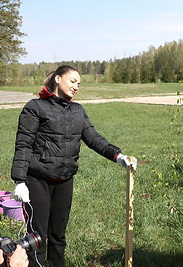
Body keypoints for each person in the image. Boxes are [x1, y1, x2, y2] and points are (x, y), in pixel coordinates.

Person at [11, 65, 137, 267]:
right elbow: (24, 144)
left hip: (64, 180)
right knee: (37, 239)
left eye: (79, 83)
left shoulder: (77, 111)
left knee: (58, 236)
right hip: (37, 181)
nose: (76, 86)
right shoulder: (35, 107)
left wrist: (117, 155)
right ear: (58, 79)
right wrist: (19, 181)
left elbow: (93, 138)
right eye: (73, 81)